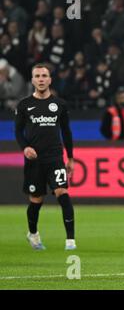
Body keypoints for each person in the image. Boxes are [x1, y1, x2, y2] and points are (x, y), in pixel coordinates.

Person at [14, 63, 76, 251]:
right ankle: (33, 234)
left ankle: (70, 241)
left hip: (55, 158)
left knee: (63, 194)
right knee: (36, 200)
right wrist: (25, 148)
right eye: (37, 76)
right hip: (34, 161)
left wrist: (70, 158)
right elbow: (18, 132)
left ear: (50, 79)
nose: (41, 79)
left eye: (44, 75)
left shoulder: (59, 105)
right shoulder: (24, 105)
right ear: (32, 80)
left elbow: (66, 132)